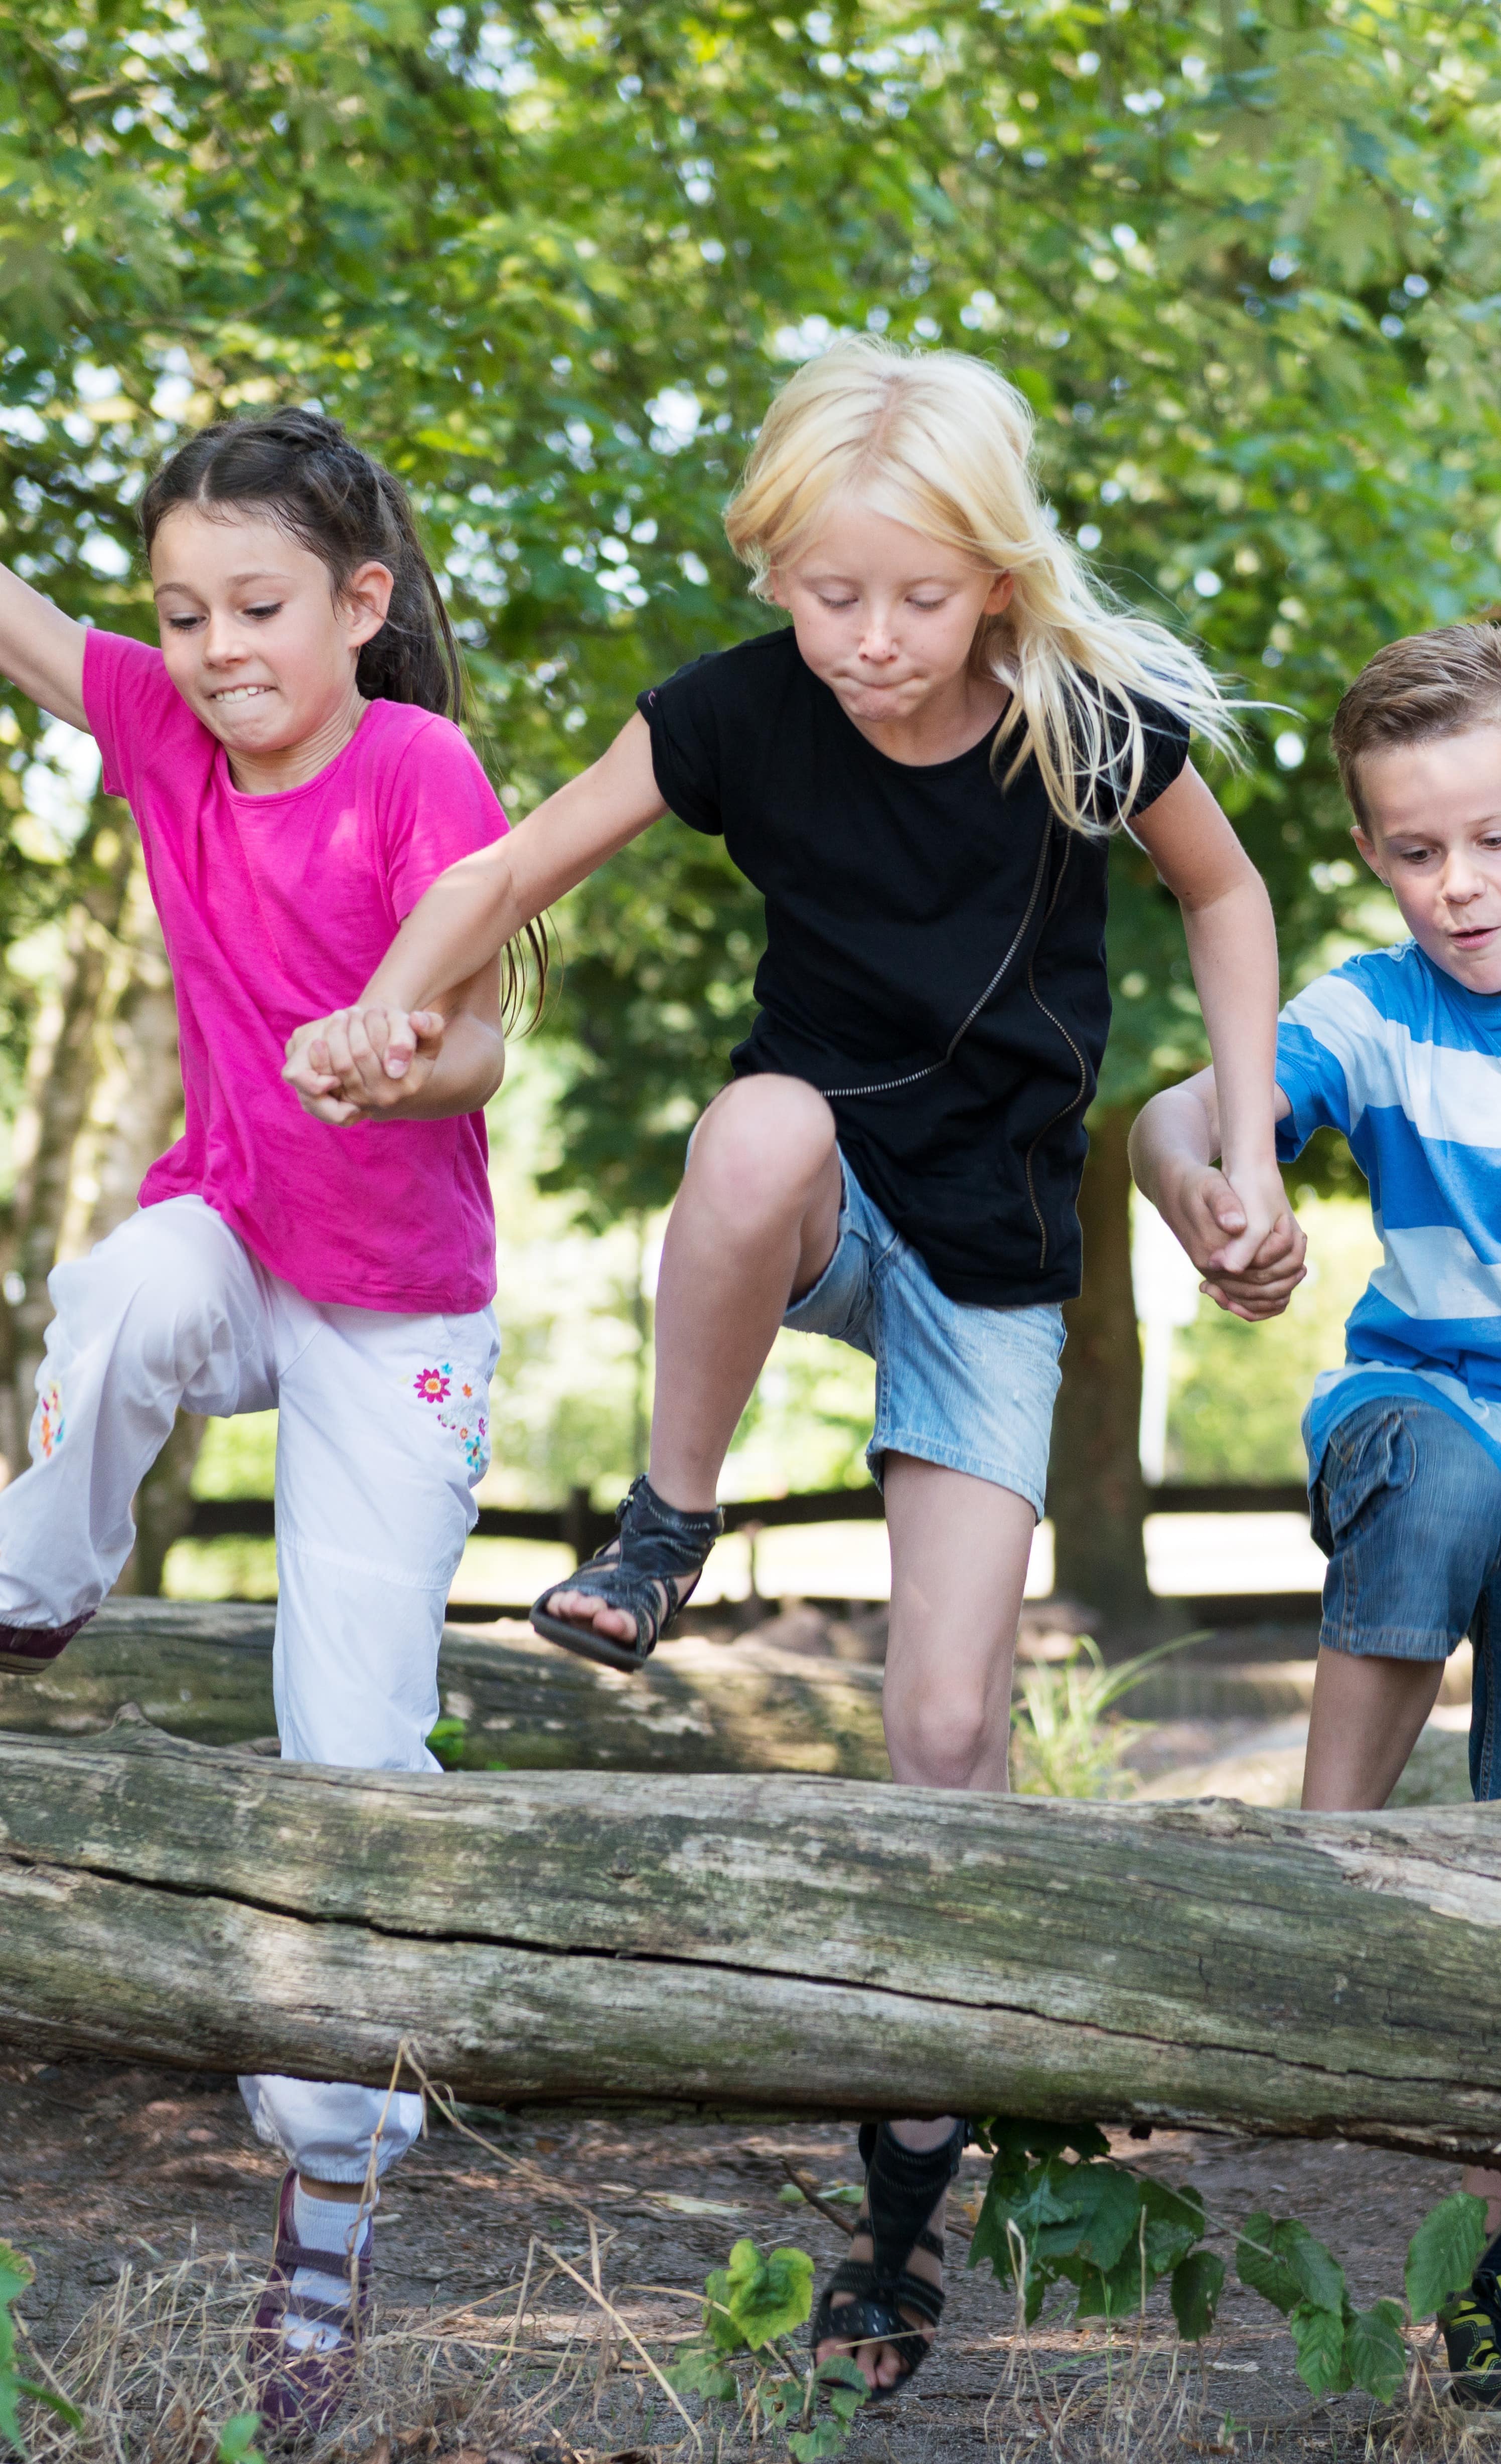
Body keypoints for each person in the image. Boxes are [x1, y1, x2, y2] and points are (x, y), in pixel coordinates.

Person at [282, 336, 1292, 2402]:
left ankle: (903, 2227)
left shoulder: (1094, 725)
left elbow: (1231, 894)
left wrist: (1249, 1145)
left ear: (996, 580)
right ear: (780, 573)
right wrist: (396, 1005)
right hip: (826, 1195)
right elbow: (501, 871)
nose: (870, 641)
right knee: (748, 1123)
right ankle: (667, 1527)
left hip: (997, 1262)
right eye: (830, 594)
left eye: (916, 598)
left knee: (944, 1738)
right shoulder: (743, 709)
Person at [0, 410, 525, 2422]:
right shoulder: (161, 738)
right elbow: (27, 630)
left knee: (350, 1746)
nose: (216, 647)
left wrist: (404, 1058)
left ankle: (326, 2207)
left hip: (395, 1305)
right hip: (229, 1240)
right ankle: (38, 1580)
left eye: (261, 607)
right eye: (182, 611)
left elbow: (478, 1029)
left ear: (362, 603)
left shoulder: (415, 765)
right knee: (120, 1286)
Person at [1130, 623, 1501, 2429]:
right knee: (1435, 1479)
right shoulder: (1368, 1010)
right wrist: (1226, 1194)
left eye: (1495, 841)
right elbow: (1174, 1116)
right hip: (1416, 1410)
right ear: (1372, 852)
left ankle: (1493, 2281)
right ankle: (1314, 1884)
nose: (1461, 887)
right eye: (1417, 849)